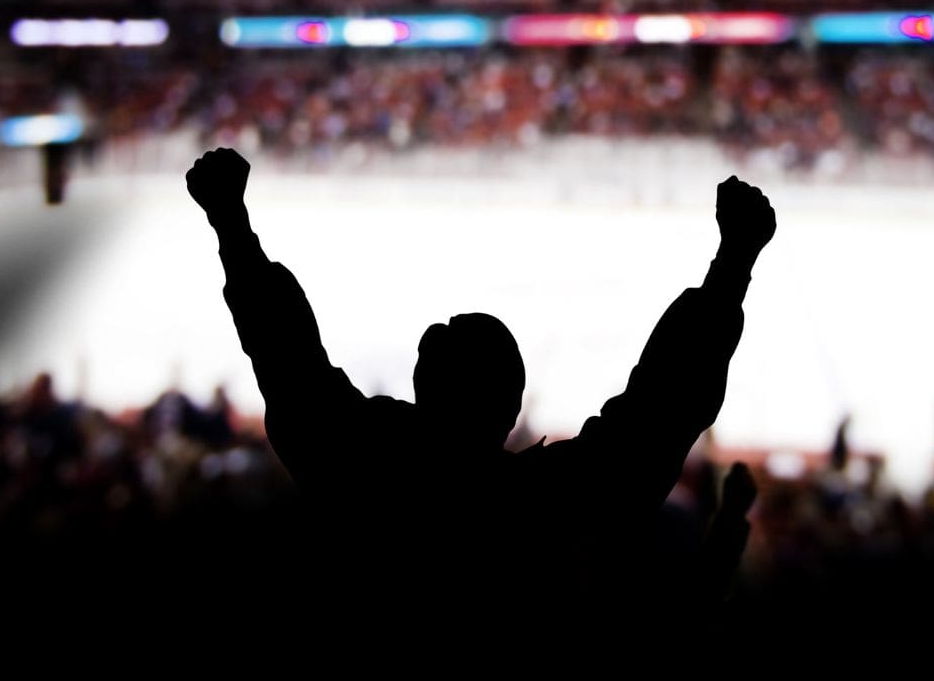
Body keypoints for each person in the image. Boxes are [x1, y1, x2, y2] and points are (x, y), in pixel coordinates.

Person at [186, 147, 776, 639]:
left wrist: (232, 225)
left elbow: (289, 364)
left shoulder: (356, 472)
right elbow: (653, 422)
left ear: (420, 389)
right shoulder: (540, 507)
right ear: (511, 409)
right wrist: (731, 269)